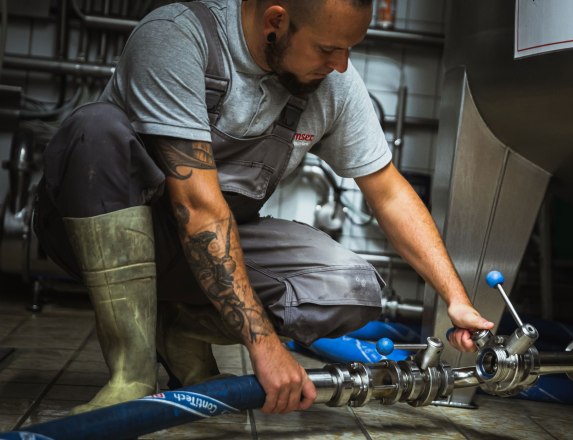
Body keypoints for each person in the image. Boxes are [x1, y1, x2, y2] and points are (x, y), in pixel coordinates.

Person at [33, 0, 493, 416]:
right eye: (328, 48)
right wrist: (265, 345)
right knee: (95, 128)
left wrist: (456, 298)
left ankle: (181, 328)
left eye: (350, 48)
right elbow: (198, 207)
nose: (341, 65)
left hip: (201, 244)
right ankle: (131, 373)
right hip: (98, 229)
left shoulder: (333, 86)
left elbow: (389, 192)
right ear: (276, 21)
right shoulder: (178, 37)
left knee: (353, 288)